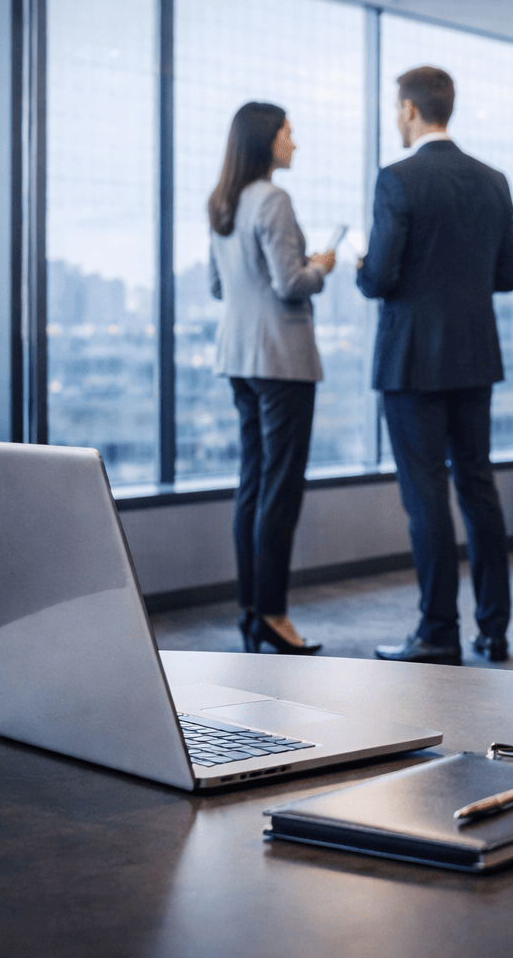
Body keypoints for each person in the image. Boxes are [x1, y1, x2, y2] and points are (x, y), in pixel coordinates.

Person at [360, 65, 513, 667]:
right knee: (478, 489)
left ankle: (437, 632)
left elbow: (378, 278)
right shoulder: (493, 181)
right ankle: (494, 630)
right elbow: (507, 276)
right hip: (475, 357)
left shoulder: (397, 179)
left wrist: (359, 266)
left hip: (410, 363)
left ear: (408, 110)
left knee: (425, 496)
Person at [208, 102, 335, 656]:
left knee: (253, 485)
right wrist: (321, 267)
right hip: (281, 360)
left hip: (238, 356)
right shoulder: (274, 199)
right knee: (279, 490)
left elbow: (219, 286)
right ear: (266, 139)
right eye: (288, 132)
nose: (295, 142)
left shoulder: (224, 202)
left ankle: (251, 611)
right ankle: (274, 616)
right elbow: (291, 283)